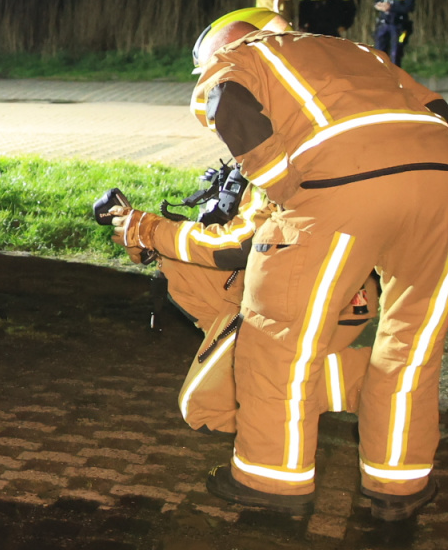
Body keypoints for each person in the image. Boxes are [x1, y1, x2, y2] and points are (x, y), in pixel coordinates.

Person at [132, 7, 448, 522]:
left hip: (341, 187)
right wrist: (436, 168)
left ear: (225, 42)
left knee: (281, 339)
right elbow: (437, 108)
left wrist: (284, 185)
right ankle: (398, 485)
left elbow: (225, 100)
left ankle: (271, 481)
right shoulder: (359, 52)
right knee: (413, 348)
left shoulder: (242, 55)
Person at [109, 168, 374, 437]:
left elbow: (237, 246)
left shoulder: (282, 163)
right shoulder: (273, 159)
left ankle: (373, 381)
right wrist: (154, 245)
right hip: (289, 287)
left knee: (206, 410)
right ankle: (252, 362)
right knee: (174, 263)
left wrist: (151, 230)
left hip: (324, 299)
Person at [371, 0, 416, 66]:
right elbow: (376, 1)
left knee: (395, 54)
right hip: (383, 24)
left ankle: (395, 75)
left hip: (398, 24)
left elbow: (409, 7)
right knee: (379, 55)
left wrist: (391, 8)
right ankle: (380, 75)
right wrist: (380, 6)